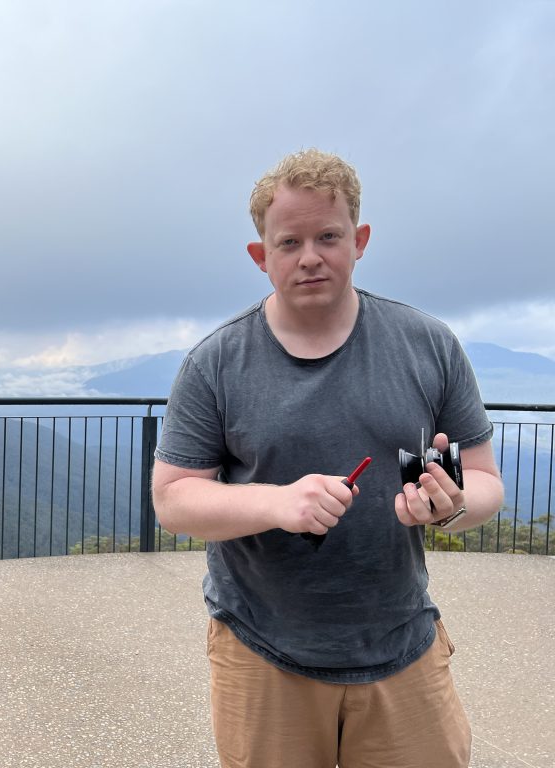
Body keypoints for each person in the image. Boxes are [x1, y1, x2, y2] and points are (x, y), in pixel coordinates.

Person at [151, 148, 505, 768]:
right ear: (261, 257)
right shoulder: (215, 363)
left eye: (328, 236)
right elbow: (173, 500)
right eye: (289, 242)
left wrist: (449, 506)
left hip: (404, 646)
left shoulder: (429, 346)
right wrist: (279, 502)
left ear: (360, 240)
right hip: (261, 653)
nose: (310, 255)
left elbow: (484, 482)